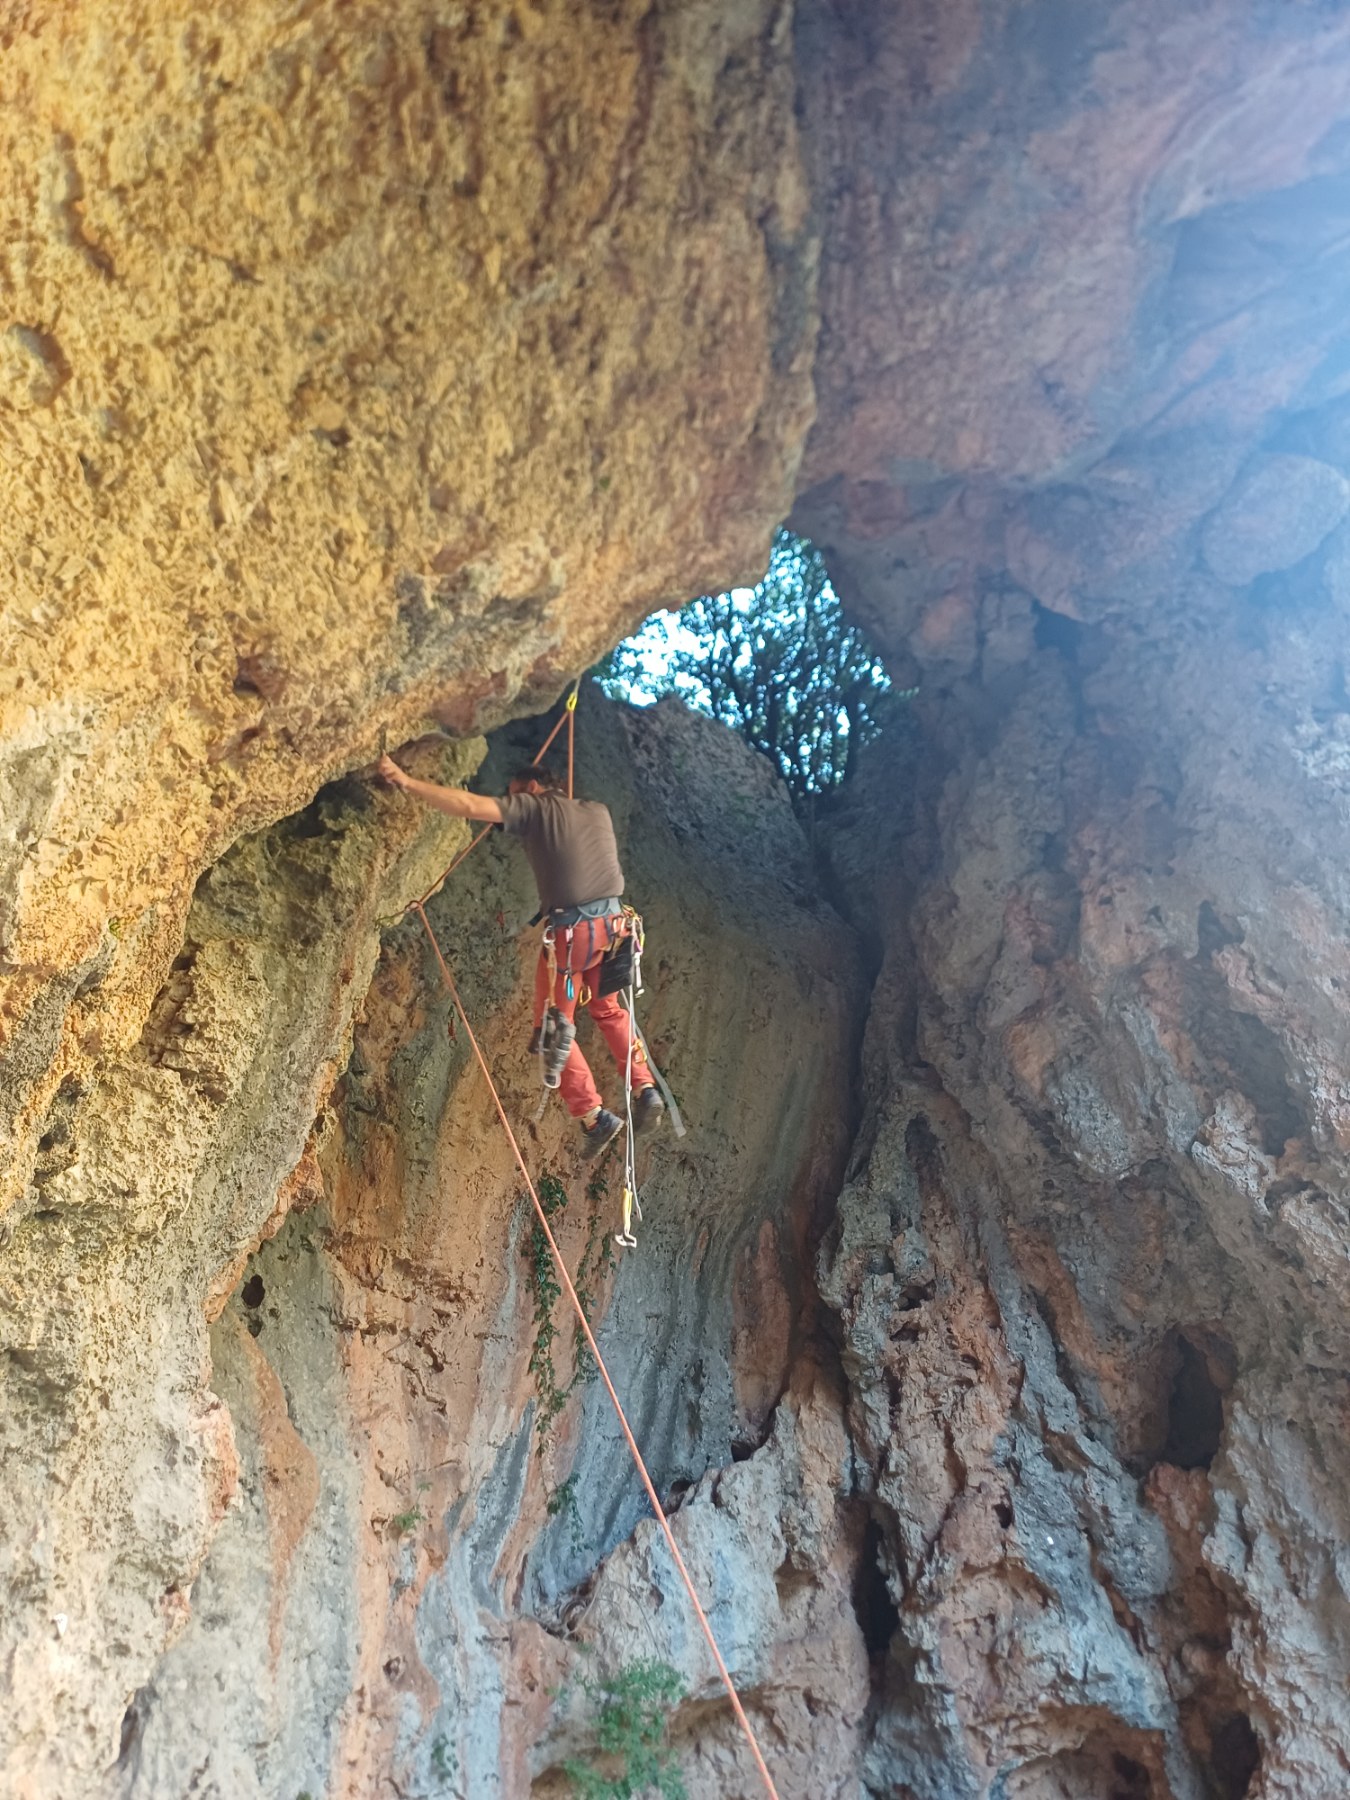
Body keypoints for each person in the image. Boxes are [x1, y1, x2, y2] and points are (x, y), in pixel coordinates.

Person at [377, 750, 664, 1157]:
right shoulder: (597, 810)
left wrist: (406, 781)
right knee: (609, 1010)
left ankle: (594, 1116)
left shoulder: (532, 807)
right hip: (616, 931)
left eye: (514, 795)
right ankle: (645, 1088)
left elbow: (469, 805)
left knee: (551, 1026)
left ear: (531, 787)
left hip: (573, 937)